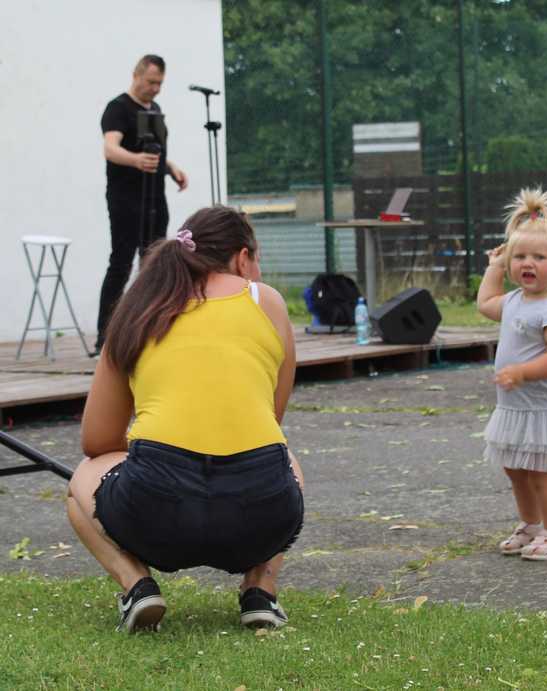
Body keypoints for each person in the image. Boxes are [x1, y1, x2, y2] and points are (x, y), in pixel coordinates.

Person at [67, 206, 304, 633]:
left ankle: (137, 585)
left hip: (156, 512)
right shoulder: (265, 301)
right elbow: (270, 417)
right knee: (284, 456)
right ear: (241, 257)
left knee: (81, 480)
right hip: (259, 514)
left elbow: (97, 440)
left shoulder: (138, 309)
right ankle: (261, 591)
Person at [477, 187, 547, 561]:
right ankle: (532, 525)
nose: (528, 263)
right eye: (519, 256)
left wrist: (523, 371)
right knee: (516, 471)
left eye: (539, 257)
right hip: (514, 409)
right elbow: (485, 304)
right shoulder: (512, 302)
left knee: (542, 474)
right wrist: (493, 267)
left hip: (543, 410)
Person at [94, 54, 188, 355]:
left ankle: (149, 328)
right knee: (122, 262)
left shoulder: (156, 109)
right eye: (151, 82)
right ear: (136, 75)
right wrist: (136, 161)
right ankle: (105, 336)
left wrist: (170, 167)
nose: (155, 89)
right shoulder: (118, 108)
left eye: (160, 83)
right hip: (126, 198)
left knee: (155, 262)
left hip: (154, 197)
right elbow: (111, 149)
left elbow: (153, 150)